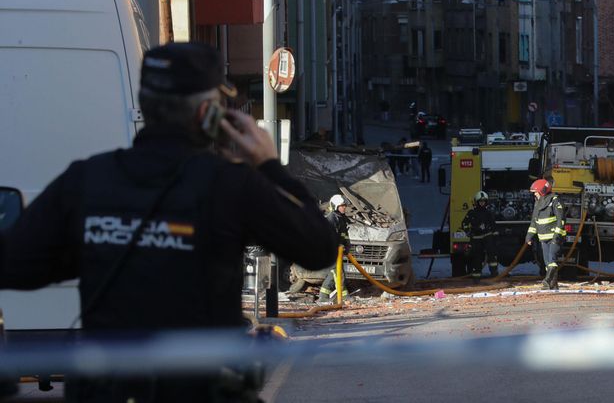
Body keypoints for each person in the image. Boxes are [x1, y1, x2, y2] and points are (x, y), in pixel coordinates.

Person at [0, 42, 338, 402]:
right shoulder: (230, 185)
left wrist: (99, 245)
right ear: (209, 114)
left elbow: (16, 266)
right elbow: (319, 247)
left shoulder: (85, 181)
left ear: (145, 104)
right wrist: (268, 165)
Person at [524, 179, 566, 289]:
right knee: (547, 263)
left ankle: (547, 281)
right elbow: (534, 221)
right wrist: (529, 236)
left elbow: (560, 219)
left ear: (542, 190)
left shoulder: (555, 200)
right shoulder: (538, 203)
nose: (534, 195)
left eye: (535, 192)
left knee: (552, 260)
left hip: (554, 237)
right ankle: (553, 284)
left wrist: (557, 235)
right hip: (543, 238)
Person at [318, 195, 351, 303]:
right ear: (335, 206)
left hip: (338, 251)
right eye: (341, 206)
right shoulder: (332, 218)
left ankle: (323, 295)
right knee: (338, 273)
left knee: (334, 273)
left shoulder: (341, 218)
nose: (344, 208)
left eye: (344, 206)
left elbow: (344, 235)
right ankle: (344, 296)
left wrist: (347, 245)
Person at [461, 191, 499, 279]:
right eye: (480, 202)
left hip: (487, 236)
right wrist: (468, 232)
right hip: (476, 238)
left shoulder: (488, 213)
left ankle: (494, 275)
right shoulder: (471, 213)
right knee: (477, 257)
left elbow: (493, 225)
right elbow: (464, 224)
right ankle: (476, 277)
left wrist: (495, 235)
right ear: (476, 202)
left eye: (484, 201)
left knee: (492, 255)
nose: (482, 203)